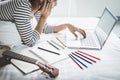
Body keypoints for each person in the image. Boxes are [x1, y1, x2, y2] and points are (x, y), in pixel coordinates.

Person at [0, 0, 86, 47]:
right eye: (53, 1)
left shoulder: (36, 6)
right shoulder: (23, 7)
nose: (55, 4)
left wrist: (67, 25)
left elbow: (44, 28)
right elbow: (30, 42)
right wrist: (43, 17)